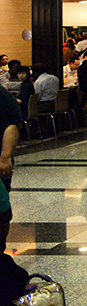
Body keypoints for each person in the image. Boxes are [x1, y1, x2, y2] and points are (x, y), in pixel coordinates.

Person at [0, 87, 20, 253]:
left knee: (2, 209)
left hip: (0, 162)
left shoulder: (3, 96)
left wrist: (5, 157)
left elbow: (12, 125)